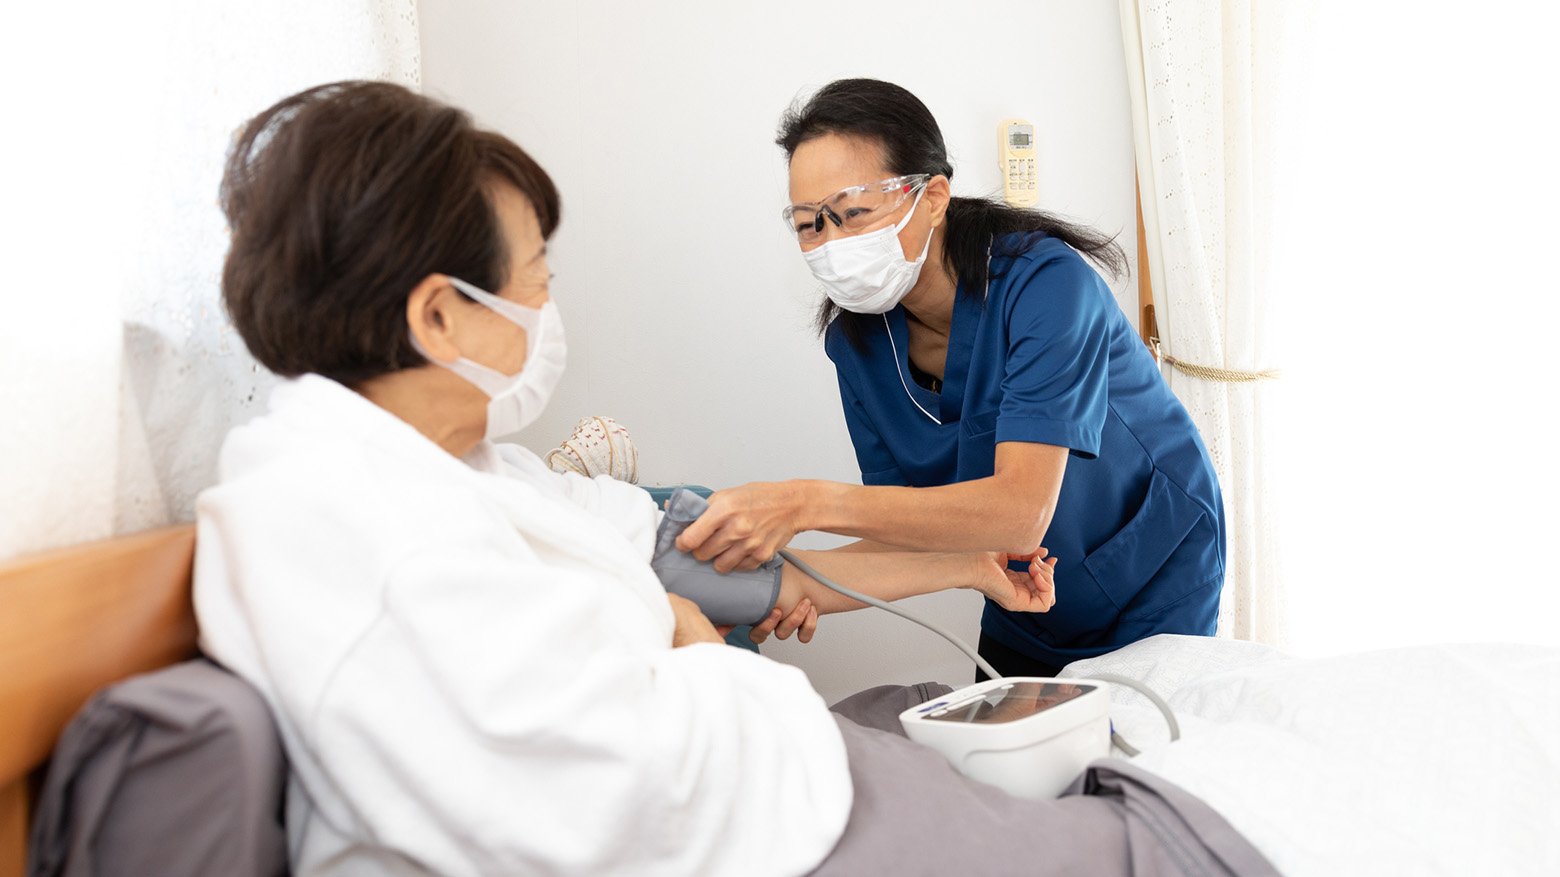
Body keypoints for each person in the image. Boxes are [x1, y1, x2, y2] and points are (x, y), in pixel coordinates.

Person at [193, 80, 1091, 876]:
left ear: (929, 194)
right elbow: (613, 792)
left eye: (845, 213)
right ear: (439, 316)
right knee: (1106, 824)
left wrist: (962, 565)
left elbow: (708, 555)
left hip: (1119, 555)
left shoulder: (473, 472)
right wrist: (698, 641)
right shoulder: (375, 543)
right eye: (536, 276)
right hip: (767, 787)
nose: (549, 307)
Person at [677, 79, 1226, 679]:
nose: (831, 243)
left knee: (1139, 752)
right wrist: (781, 582)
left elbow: (1018, 514)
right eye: (810, 225)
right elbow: (903, 526)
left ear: (933, 196)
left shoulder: (1047, 287)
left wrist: (802, 502)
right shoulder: (857, 344)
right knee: (1016, 753)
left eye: (852, 212)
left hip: (1153, 562)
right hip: (1020, 585)